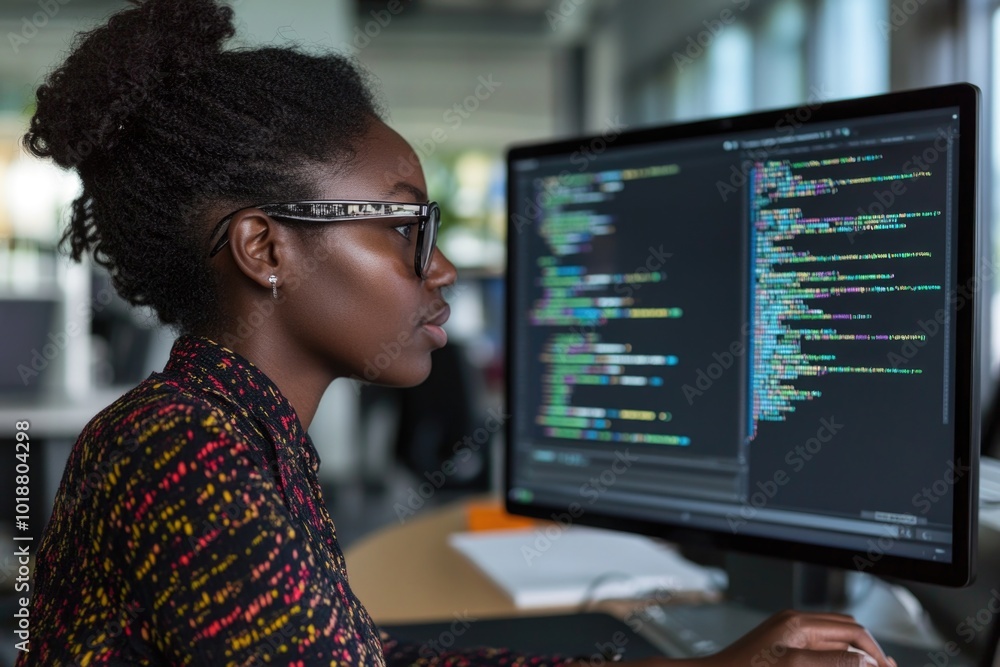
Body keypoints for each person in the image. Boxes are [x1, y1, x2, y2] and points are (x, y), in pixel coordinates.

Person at [16, 1, 898, 665]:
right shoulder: (184, 451)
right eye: (404, 226)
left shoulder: (233, 432)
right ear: (264, 246)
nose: (438, 270)